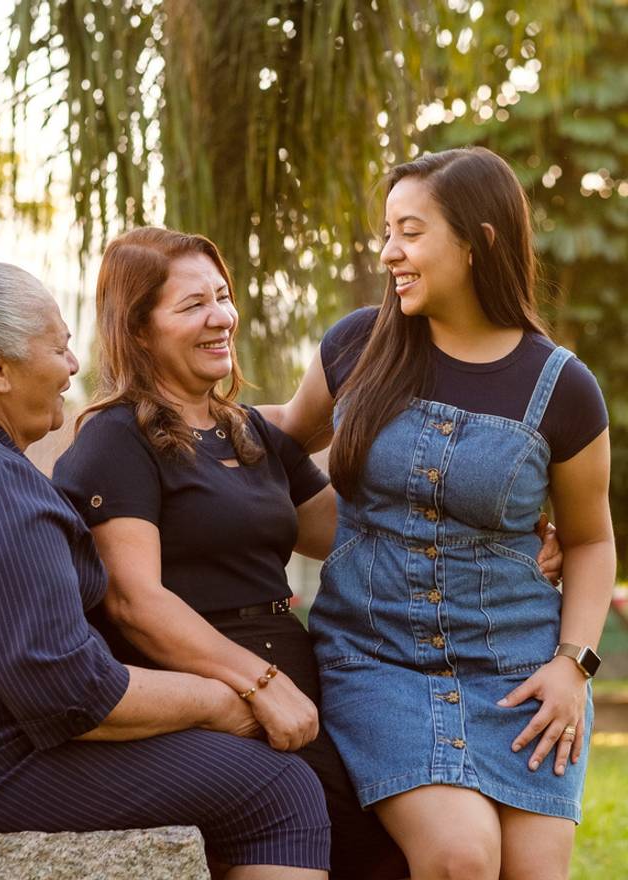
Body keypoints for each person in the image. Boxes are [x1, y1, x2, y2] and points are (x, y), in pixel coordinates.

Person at [53, 225, 562, 880]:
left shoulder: (251, 433)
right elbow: (134, 600)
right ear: (139, 329)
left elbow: (363, 538)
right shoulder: (117, 439)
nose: (221, 318)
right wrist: (261, 687)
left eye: (222, 296)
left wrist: (516, 548)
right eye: (192, 306)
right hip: (215, 692)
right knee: (389, 851)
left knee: (439, 835)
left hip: (309, 678)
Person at [262, 147, 615, 880]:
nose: (390, 252)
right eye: (387, 232)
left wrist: (573, 666)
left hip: (522, 676)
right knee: (460, 855)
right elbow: (279, 436)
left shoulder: (564, 388)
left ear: (479, 240)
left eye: (411, 232)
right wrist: (162, 422)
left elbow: (589, 541)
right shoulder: (357, 346)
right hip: (377, 660)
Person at [0, 261, 330, 880]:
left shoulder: (11, 475)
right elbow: (66, 688)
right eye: (59, 347)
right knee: (282, 793)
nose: (72, 366)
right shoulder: (7, 487)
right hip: (5, 760)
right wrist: (225, 699)